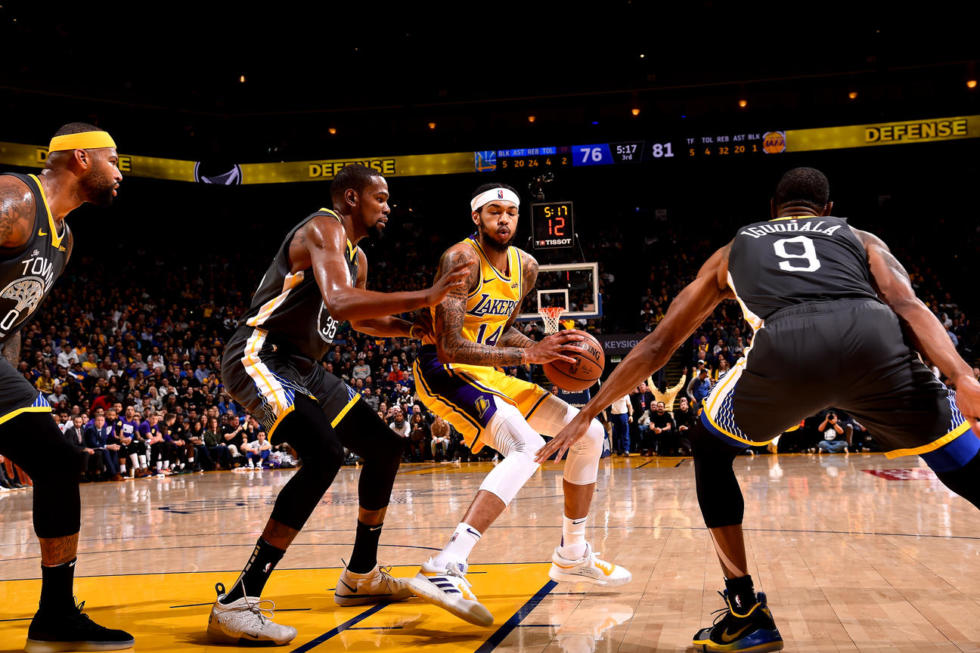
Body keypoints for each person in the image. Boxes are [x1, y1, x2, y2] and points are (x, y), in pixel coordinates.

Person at [538, 167, 980, 653]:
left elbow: (660, 344)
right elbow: (908, 305)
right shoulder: (859, 236)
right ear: (827, 209)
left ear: (773, 208)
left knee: (709, 448)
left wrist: (589, 410)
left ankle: (746, 612)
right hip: (872, 338)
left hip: (787, 347)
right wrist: (962, 375)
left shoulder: (733, 250)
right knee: (960, 459)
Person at [209, 164, 469, 644]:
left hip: (304, 366)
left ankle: (361, 575)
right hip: (260, 353)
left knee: (385, 448)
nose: (388, 207)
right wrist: (429, 296)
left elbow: (360, 321)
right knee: (324, 455)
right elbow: (342, 300)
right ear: (352, 198)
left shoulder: (358, 257)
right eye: (382, 198)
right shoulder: (323, 225)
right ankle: (237, 601)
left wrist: (415, 329)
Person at [409, 183, 630, 627]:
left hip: (489, 372)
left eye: (511, 212)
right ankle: (446, 564)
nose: (504, 220)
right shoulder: (461, 259)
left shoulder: (525, 266)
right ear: (477, 217)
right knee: (527, 447)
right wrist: (528, 355)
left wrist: (540, 347)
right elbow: (450, 346)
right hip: (442, 371)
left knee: (590, 433)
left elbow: (502, 330)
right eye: (494, 212)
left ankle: (571, 553)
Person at [0, 123, 133, 651]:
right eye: (115, 159)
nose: (121, 172)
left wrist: (10, 424)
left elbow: (10, 324)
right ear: (81, 158)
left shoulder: (64, 239)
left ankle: (55, 613)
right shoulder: (14, 199)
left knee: (55, 457)